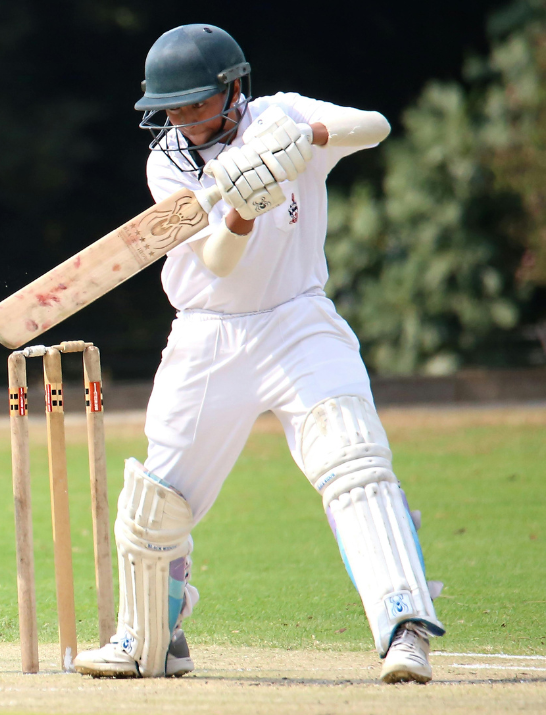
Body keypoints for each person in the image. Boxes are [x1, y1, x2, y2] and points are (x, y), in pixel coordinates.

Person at [73, 25, 444, 684]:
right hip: (208, 334)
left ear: (233, 88)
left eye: (194, 105)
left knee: (353, 457)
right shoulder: (168, 164)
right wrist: (241, 209)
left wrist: (307, 140)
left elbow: (377, 125)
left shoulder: (283, 114)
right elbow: (216, 263)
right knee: (160, 496)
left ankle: (404, 626)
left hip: (298, 320)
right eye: (172, 109)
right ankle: (150, 638)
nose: (183, 121)